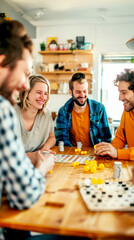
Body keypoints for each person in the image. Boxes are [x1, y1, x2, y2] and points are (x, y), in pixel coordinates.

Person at [0, 19, 55, 240]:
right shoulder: (4, 109)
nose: (25, 85)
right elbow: (23, 195)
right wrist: (41, 167)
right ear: (3, 63)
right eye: (24, 73)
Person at [55, 72, 112, 147]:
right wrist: (76, 152)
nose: (82, 95)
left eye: (85, 91)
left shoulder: (99, 108)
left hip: (95, 153)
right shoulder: (63, 112)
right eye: (78, 92)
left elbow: (106, 138)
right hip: (72, 153)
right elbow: (61, 139)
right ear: (70, 92)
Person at [14, 74, 56, 166]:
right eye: (38, 92)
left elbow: (52, 137)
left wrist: (44, 148)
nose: (43, 97)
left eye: (45, 93)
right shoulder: (10, 112)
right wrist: (32, 156)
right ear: (27, 93)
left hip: (35, 163)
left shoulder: (46, 114)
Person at [95, 69, 134, 160]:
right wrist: (108, 150)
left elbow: (118, 152)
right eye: (119, 92)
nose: (119, 98)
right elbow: (120, 138)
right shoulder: (127, 112)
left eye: (124, 92)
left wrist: (118, 153)